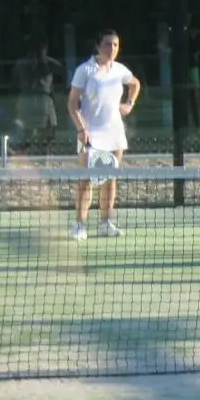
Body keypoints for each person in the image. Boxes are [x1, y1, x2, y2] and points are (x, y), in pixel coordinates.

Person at [66, 29, 141, 241]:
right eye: (108, 44)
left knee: (110, 179)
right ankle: (79, 226)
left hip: (115, 132)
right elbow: (72, 103)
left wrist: (129, 104)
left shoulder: (119, 70)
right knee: (86, 181)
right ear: (98, 47)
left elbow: (135, 84)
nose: (112, 49)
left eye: (116, 45)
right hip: (90, 134)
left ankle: (106, 223)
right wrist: (81, 129)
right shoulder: (85, 70)